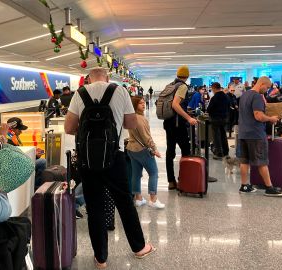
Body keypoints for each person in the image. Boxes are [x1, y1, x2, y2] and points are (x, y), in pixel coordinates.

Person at [64, 68, 155, 268]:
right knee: (124, 203)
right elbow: (131, 123)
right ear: (107, 77)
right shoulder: (120, 91)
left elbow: (69, 128)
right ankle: (139, 247)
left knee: (94, 207)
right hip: (116, 156)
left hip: (88, 160)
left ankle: (101, 258)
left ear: (88, 79)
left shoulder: (80, 94)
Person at [237, 76, 282, 197]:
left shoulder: (244, 95)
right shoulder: (257, 96)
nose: (268, 90)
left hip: (243, 133)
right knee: (261, 161)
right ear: (262, 84)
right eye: (268, 87)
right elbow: (258, 116)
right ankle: (269, 187)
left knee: (244, 161)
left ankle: (244, 185)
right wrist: (271, 119)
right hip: (255, 134)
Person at [164, 66, 198, 190]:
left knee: (170, 152)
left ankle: (171, 181)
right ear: (187, 76)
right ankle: (184, 179)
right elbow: (175, 105)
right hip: (178, 124)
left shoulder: (170, 85)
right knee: (186, 151)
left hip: (168, 123)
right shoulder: (182, 86)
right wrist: (189, 118)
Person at [127, 96, 165, 209]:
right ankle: (153, 199)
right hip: (142, 150)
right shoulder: (141, 119)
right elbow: (146, 137)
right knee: (153, 173)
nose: (143, 105)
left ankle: (138, 198)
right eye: (140, 103)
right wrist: (154, 149)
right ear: (135, 105)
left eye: (144, 103)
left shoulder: (131, 117)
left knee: (136, 174)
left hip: (131, 149)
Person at [6, 117, 47, 190]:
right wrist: (34, 156)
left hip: (19, 163)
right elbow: (16, 158)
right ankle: (36, 189)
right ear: (13, 129)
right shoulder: (9, 140)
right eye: (19, 129)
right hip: (15, 167)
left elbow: (20, 153)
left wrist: (34, 153)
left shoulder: (12, 136)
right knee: (42, 162)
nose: (21, 132)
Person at [207, 82, 230, 159]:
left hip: (215, 119)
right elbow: (229, 106)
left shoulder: (214, 98)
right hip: (224, 119)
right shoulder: (226, 96)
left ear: (214, 88)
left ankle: (219, 153)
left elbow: (209, 109)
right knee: (223, 135)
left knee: (216, 137)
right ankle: (226, 152)